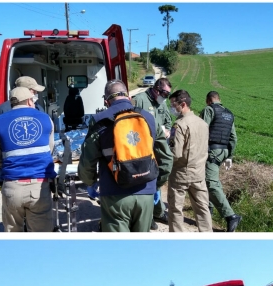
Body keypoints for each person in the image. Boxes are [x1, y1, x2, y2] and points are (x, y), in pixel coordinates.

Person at [79, 80, 172, 232]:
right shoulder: (149, 118)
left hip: (114, 194)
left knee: (119, 249)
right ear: (129, 97)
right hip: (146, 192)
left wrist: (90, 182)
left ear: (106, 101)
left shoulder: (98, 120)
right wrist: (155, 184)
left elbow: (87, 160)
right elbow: (167, 159)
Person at [0, 86, 56, 232]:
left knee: (14, 237)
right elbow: (49, 150)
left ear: (11, 103)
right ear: (30, 101)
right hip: (39, 187)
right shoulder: (45, 118)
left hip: (12, 187)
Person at [132, 77, 175, 229]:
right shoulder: (139, 100)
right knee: (145, 180)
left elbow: (168, 121)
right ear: (156, 89)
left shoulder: (162, 103)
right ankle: (147, 215)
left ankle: (158, 211)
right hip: (144, 148)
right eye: (165, 93)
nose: (166, 97)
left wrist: (167, 130)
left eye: (168, 94)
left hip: (159, 148)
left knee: (158, 178)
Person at [167, 89, 212, 232]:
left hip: (181, 173)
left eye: (174, 104)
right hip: (199, 172)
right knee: (202, 208)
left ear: (183, 104)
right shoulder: (202, 123)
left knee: (175, 209)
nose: (172, 108)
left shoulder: (179, 125)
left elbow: (176, 153)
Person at [200, 91, 242, 232]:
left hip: (211, 151)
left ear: (208, 100)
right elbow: (233, 138)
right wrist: (229, 156)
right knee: (207, 181)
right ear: (219, 99)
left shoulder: (209, 110)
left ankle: (231, 216)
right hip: (223, 151)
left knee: (211, 183)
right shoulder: (229, 114)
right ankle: (208, 210)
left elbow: (202, 131)